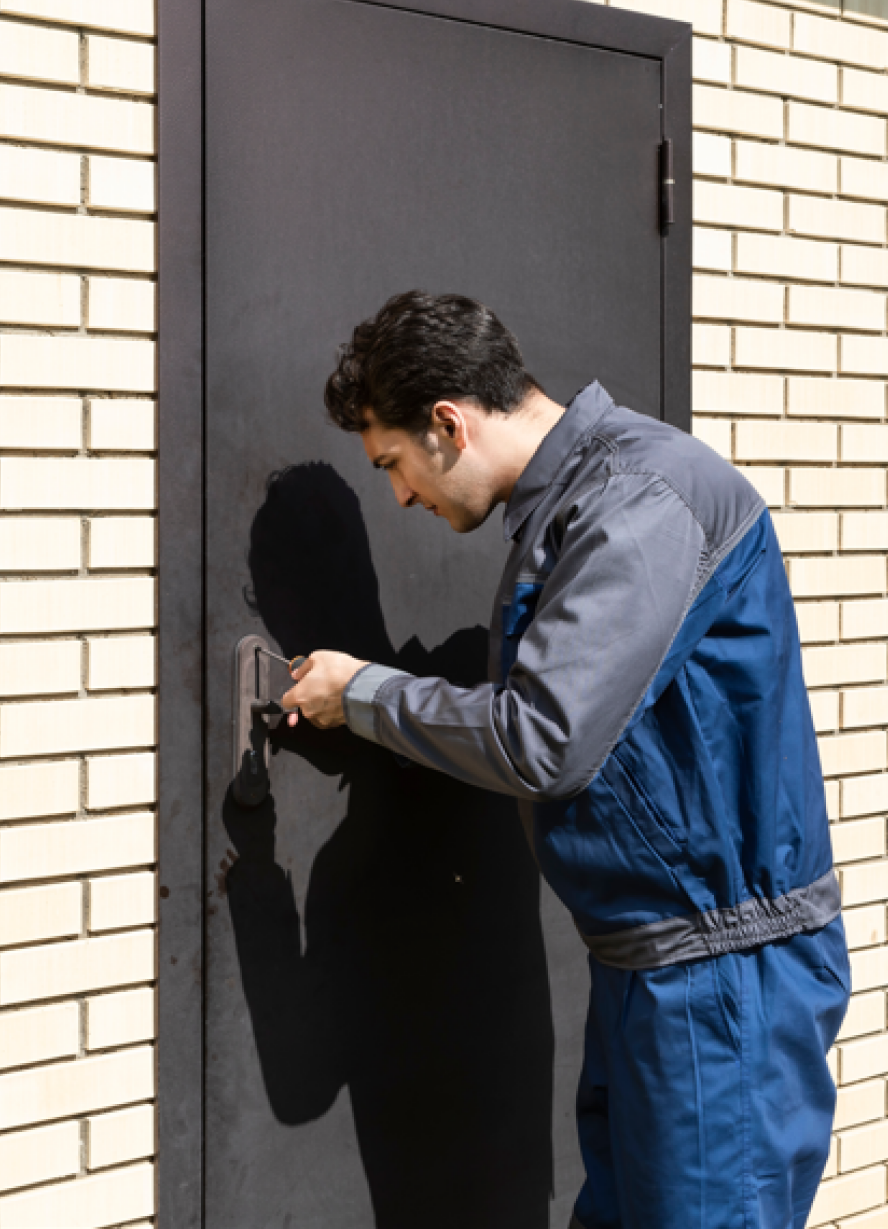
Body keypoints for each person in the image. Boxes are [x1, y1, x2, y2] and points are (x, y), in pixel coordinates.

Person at [279, 290, 851, 1229]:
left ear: (448, 424)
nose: (402, 497)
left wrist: (364, 694)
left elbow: (541, 737)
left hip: (720, 982)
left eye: (392, 465)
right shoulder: (582, 504)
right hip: (653, 969)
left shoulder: (640, 499)